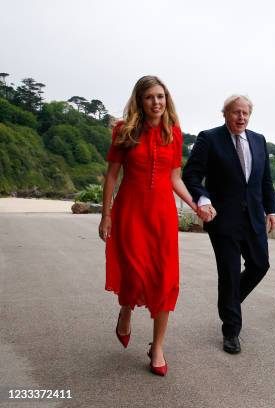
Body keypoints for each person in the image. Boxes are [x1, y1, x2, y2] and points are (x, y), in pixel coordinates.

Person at [99, 75, 197, 376]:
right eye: (150, 97)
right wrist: (107, 215)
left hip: (162, 216)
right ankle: (126, 310)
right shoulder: (124, 130)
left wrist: (195, 205)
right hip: (130, 212)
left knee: (165, 278)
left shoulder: (174, 133)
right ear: (140, 101)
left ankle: (157, 347)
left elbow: (174, 177)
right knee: (133, 271)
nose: (157, 102)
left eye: (161, 96)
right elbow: (112, 176)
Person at [182, 95, 275, 354]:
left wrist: (271, 210)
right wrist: (203, 198)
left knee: (260, 265)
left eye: (245, 113)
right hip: (223, 219)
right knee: (229, 272)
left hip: (254, 217)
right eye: (236, 112)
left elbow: (265, 180)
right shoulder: (209, 138)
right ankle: (231, 330)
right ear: (225, 114)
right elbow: (191, 175)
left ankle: (230, 302)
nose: (241, 117)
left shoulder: (258, 140)